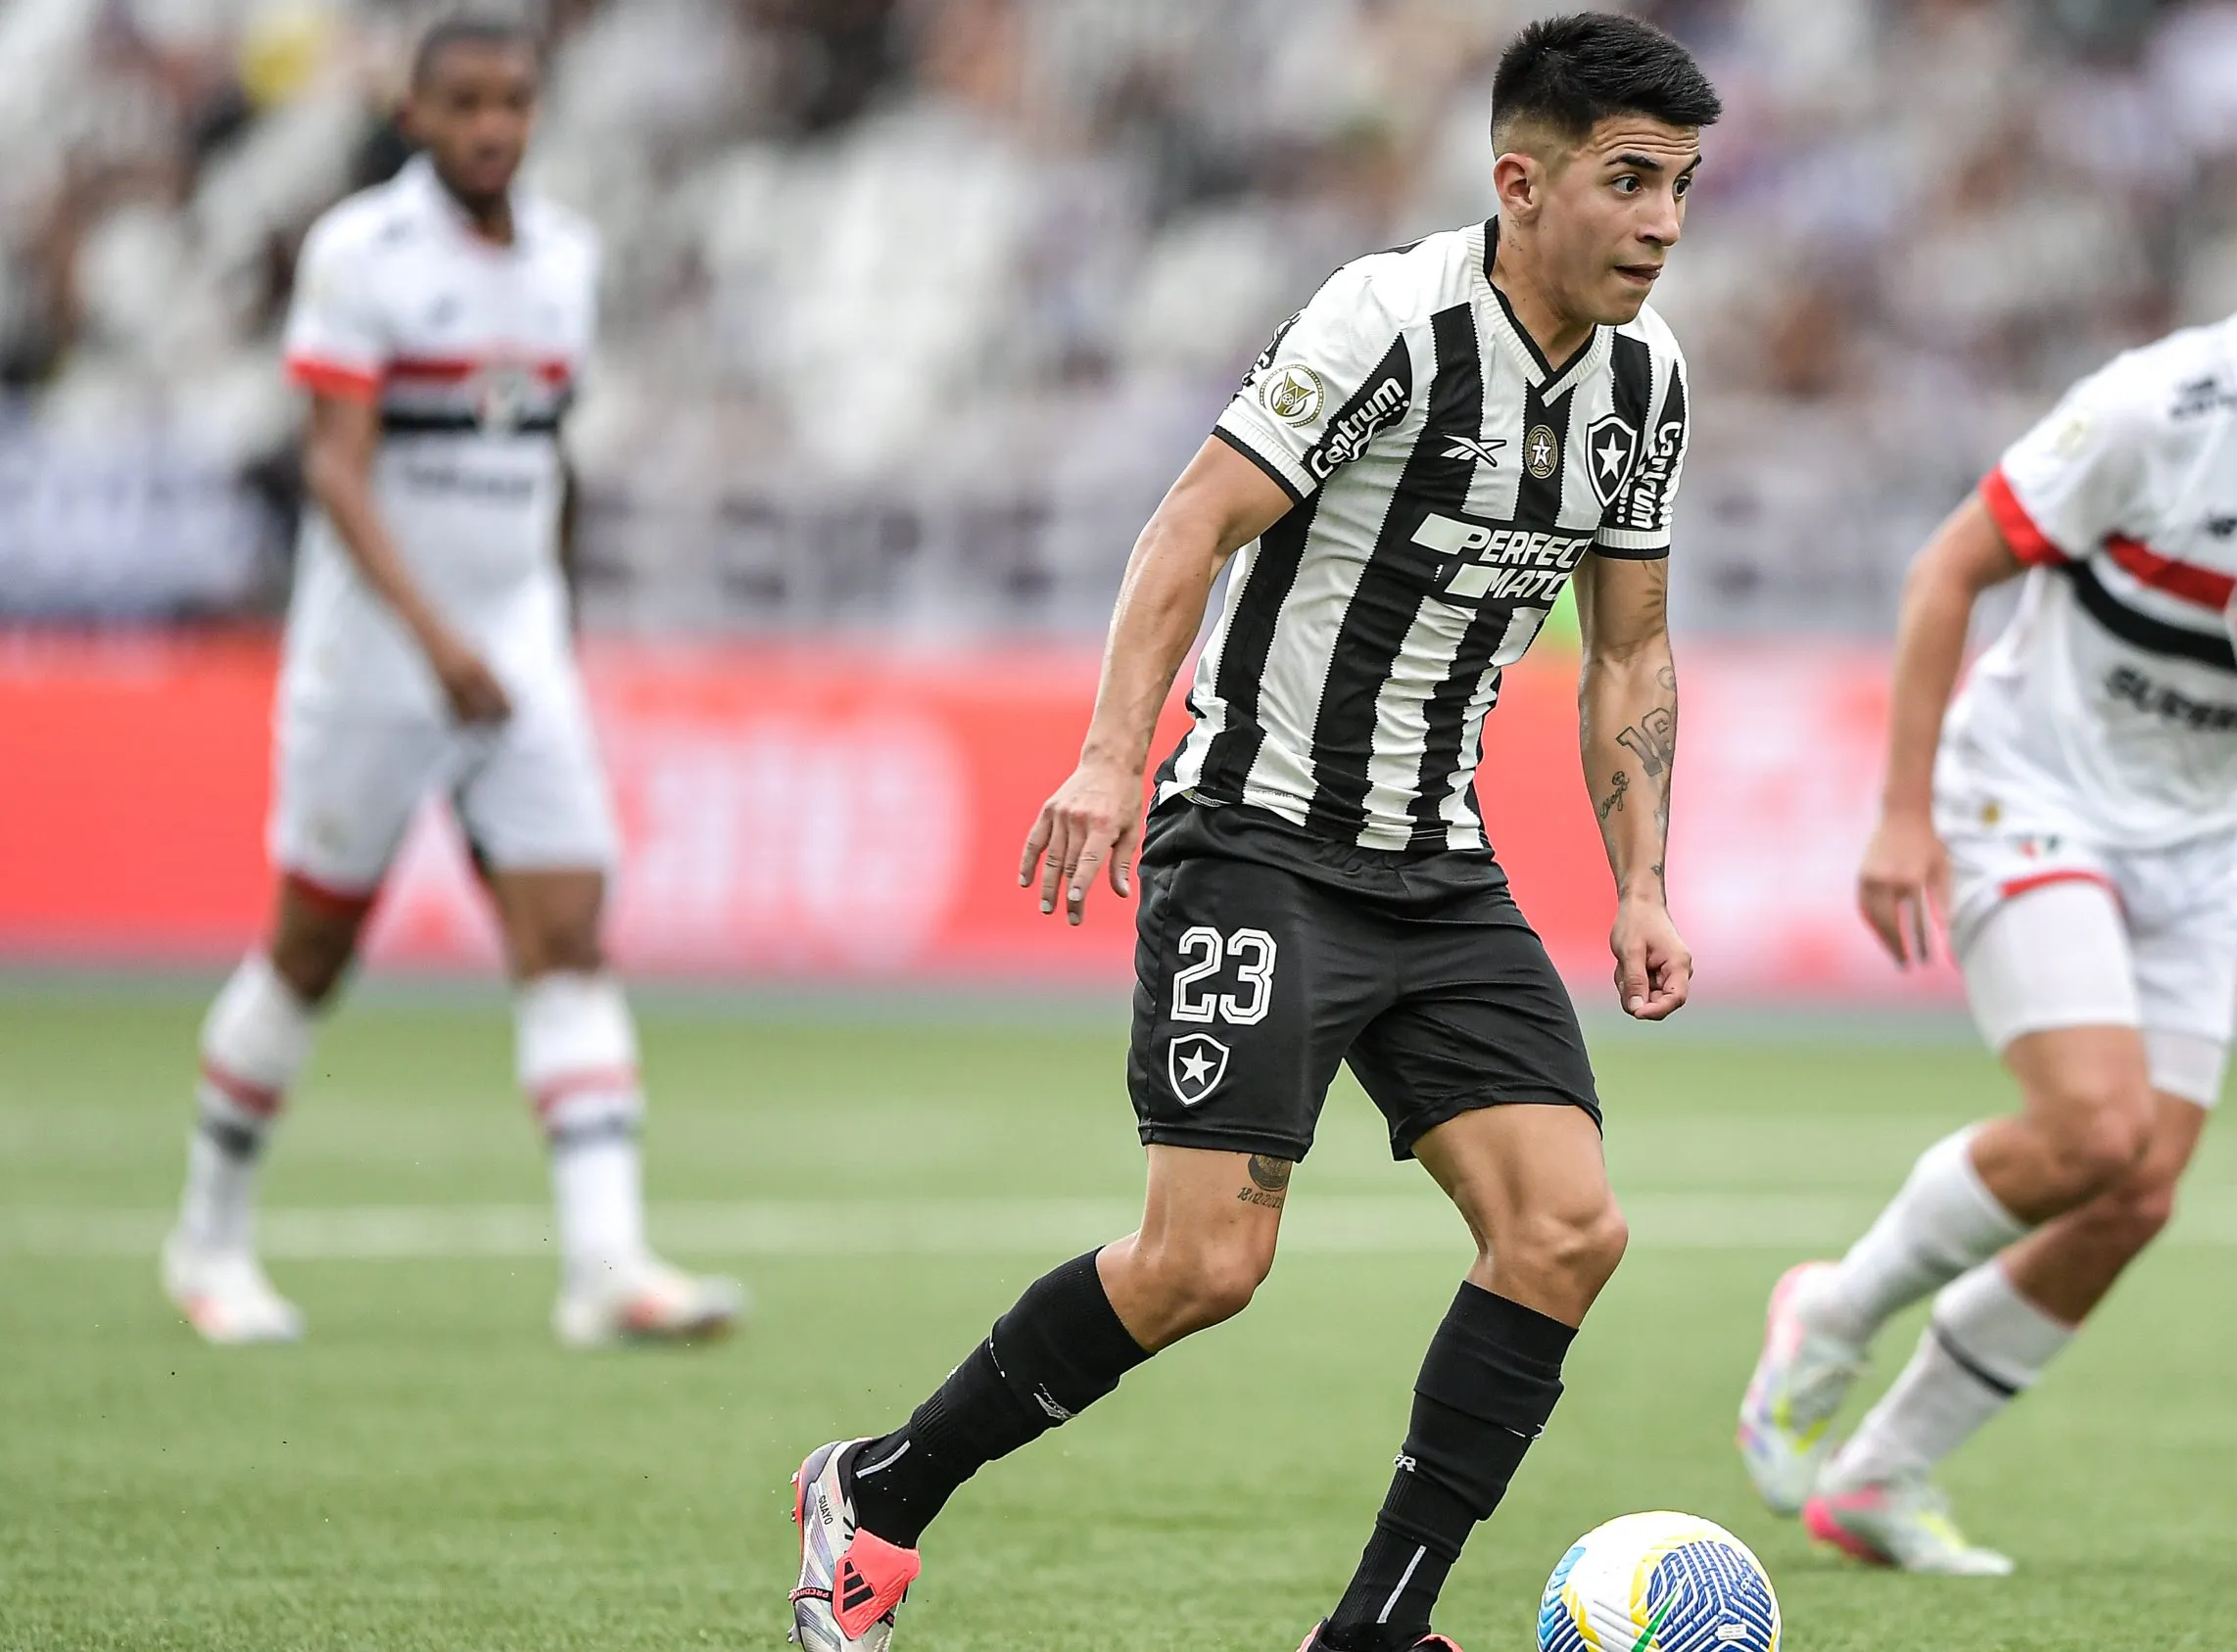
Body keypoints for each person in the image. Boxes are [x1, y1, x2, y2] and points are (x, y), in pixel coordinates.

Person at [782, 15, 1716, 1651]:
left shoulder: (1646, 383)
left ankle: (1375, 1629)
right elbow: (1195, 521)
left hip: (1437, 861)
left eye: (1683, 187)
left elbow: (1628, 645)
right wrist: (1104, 761)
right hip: (1261, 840)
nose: (1662, 223)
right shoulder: (1390, 322)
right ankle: (879, 1485)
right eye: (1629, 181)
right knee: (1203, 1264)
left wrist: (1642, 879)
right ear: (1520, 180)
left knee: (1566, 1229)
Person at [1736, 120, 2237, 1574]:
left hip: (2200, 836)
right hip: (2029, 787)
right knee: (2092, 1126)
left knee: (2138, 1190)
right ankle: (1831, 1312)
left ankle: (1884, 1476)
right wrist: (1904, 811)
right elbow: (1948, 568)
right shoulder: (2158, 406)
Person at [160, 17, 740, 1350]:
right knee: (312, 946)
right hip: (375, 655)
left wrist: (542, 634)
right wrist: (440, 644)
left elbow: (544, 464)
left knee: (570, 932)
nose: (492, 126)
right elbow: (335, 470)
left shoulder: (566, 258)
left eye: (513, 103)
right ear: (414, 113)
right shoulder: (360, 254)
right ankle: (208, 1237)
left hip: (514, 651)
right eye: (466, 103)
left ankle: (606, 1264)